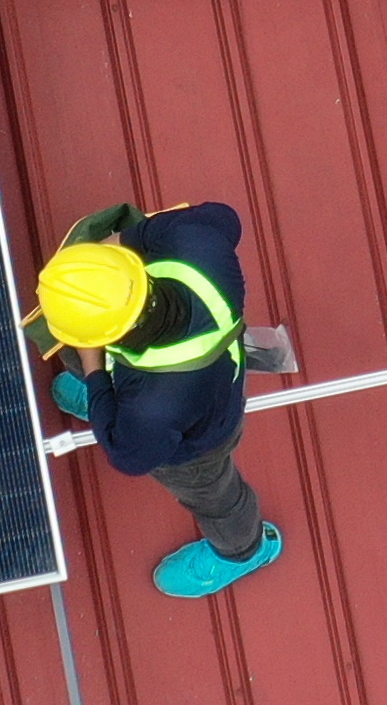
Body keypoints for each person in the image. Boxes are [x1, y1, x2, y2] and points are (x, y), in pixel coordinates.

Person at [29, 200, 289, 599]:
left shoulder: (153, 410)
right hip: (199, 375)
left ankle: (244, 549)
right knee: (110, 394)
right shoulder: (196, 247)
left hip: (200, 438)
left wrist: (94, 367)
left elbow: (129, 455)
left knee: (216, 496)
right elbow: (224, 217)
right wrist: (115, 251)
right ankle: (107, 403)